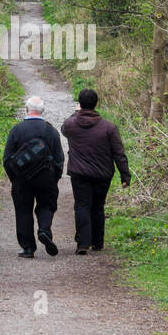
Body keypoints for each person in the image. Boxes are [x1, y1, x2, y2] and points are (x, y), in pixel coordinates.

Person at [61, 88, 130, 255]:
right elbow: (118, 152)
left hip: (79, 173)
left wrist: (75, 113)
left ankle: (83, 243)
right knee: (98, 207)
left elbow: (63, 129)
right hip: (102, 174)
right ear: (96, 104)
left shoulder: (71, 124)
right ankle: (97, 242)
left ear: (80, 104)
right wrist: (124, 174)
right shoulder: (108, 127)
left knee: (82, 206)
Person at [3, 94, 64, 258]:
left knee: (23, 211)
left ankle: (28, 247)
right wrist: (55, 178)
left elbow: (7, 158)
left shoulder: (17, 130)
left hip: (21, 179)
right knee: (46, 205)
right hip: (47, 177)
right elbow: (59, 158)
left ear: (27, 109)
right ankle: (44, 230)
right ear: (42, 111)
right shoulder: (50, 130)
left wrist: (14, 178)